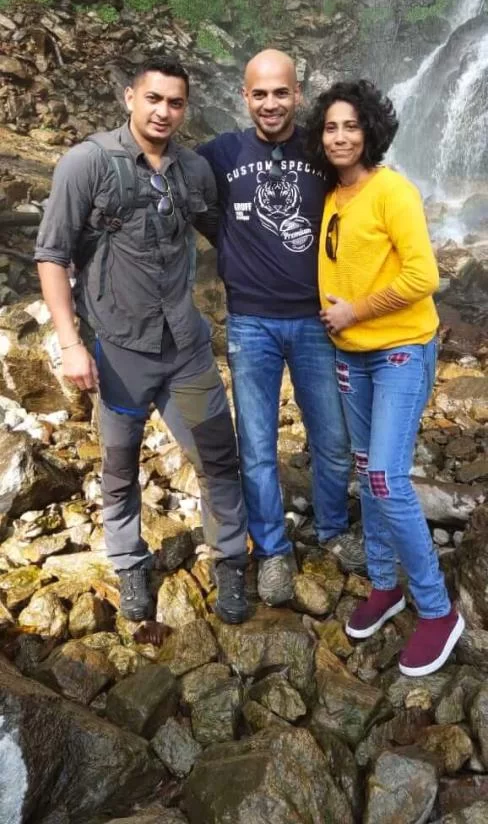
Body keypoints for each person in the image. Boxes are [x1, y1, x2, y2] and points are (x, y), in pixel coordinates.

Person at [35, 56, 249, 626]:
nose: (163, 111)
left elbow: (230, 238)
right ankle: (130, 563)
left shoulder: (194, 170)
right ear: (130, 97)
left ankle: (230, 559)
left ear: (185, 109)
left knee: (218, 457)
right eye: (153, 98)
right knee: (120, 466)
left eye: (175, 102)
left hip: (186, 348)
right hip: (119, 349)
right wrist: (70, 343)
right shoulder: (86, 163)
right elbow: (52, 255)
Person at [305, 78, 464, 675]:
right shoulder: (331, 195)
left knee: (384, 476)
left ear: (370, 131)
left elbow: (424, 277)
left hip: (400, 351)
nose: (340, 136)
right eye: (331, 127)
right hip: (352, 357)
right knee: (367, 471)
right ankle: (383, 584)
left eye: (351, 126)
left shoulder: (392, 190)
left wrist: (356, 312)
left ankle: (437, 610)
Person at [198, 49, 364, 608]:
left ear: (298, 94)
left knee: (333, 442)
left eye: (281, 92)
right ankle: (272, 550)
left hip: (317, 320)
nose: (271, 104)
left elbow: (363, 195)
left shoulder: (321, 149)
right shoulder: (221, 152)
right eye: (260, 94)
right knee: (258, 449)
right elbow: (172, 178)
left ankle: (333, 529)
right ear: (245, 97)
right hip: (250, 324)